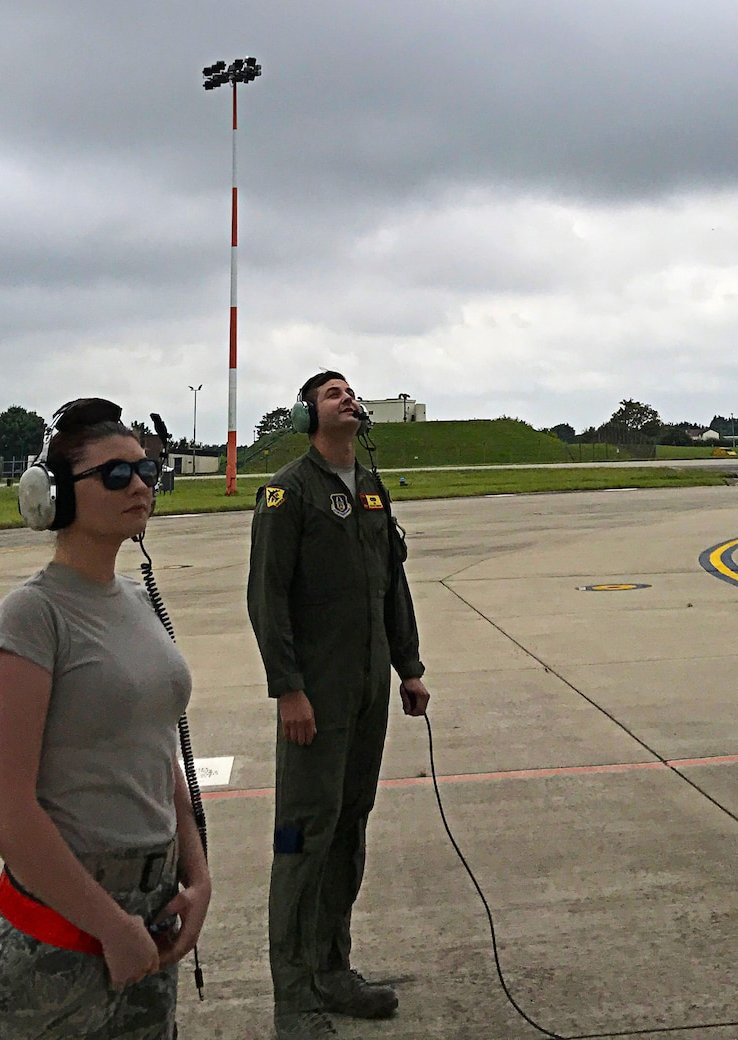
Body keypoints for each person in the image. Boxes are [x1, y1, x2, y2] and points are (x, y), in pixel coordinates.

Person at [0, 398, 212, 1040]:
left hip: (148, 914)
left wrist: (198, 873)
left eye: (145, 470)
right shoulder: (31, 618)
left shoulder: (134, 599)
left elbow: (157, 750)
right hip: (59, 933)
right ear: (56, 498)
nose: (140, 486)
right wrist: (109, 926)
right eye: (115, 475)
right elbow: (6, 811)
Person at [248, 370, 429, 1039]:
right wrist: (287, 688)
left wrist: (408, 668)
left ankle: (332, 968)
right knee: (303, 835)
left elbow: (393, 588)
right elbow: (266, 597)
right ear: (308, 415)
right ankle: (292, 996)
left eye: (351, 392)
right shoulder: (287, 492)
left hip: (368, 692)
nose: (348, 399)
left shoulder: (373, 492)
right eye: (332, 394)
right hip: (313, 696)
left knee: (350, 825)